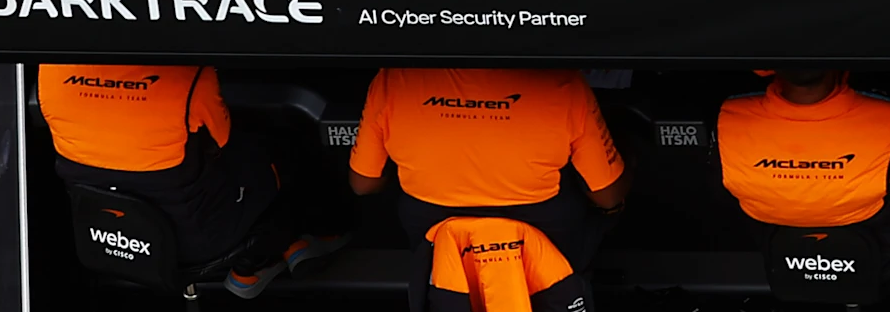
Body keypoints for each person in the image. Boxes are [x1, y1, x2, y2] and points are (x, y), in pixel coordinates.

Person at [40, 60, 334, 296]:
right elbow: (224, 140)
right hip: (202, 241)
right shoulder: (190, 76)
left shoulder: (50, 68)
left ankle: (267, 255)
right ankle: (258, 260)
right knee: (282, 154)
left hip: (103, 235)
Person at [348, 67, 630, 266]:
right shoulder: (562, 81)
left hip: (436, 244)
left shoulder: (393, 78)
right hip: (548, 246)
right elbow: (607, 195)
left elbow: (364, 184)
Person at [717, 69, 890, 289]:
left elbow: (719, 183)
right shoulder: (889, 117)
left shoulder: (729, 119)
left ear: (764, 69)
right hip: (889, 260)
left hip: (783, 258)